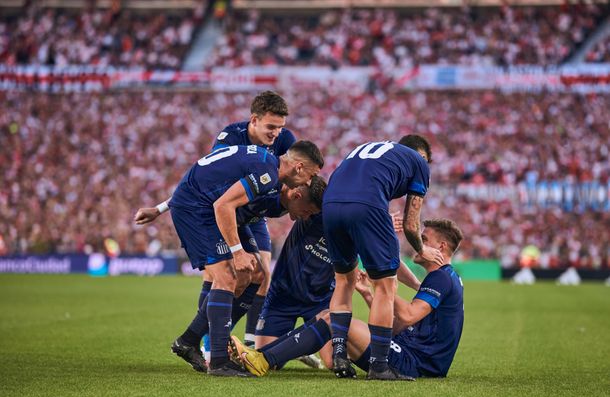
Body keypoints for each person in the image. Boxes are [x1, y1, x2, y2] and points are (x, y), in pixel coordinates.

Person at [135, 90, 296, 347]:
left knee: (262, 274)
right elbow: (206, 176)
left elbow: (289, 178)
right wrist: (162, 207)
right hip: (223, 210)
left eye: (280, 127)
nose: (276, 133)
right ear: (253, 120)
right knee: (218, 276)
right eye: (270, 127)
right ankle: (210, 344)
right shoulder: (231, 137)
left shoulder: (285, 139)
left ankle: (250, 344)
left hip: (254, 213)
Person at [231, 218, 464, 381]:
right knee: (327, 317)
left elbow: (407, 315)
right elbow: (397, 326)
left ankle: (261, 360)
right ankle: (260, 357)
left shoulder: (442, 278)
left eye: (423, 239)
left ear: (441, 246)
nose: (416, 242)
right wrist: (369, 293)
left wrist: (383, 282)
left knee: (334, 321)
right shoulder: (443, 278)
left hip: (417, 364)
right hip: (409, 351)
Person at [164, 140, 323, 377]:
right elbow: (223, 205)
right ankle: (219, 361)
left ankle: (189, 340)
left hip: (217, 209)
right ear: (299, 168)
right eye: (311, 175)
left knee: (258, 274)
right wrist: (237, 251)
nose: (310, 182)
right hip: (198, 209)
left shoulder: (275, 182)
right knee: (227, 276)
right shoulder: (267, 172)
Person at [321, 134, 444, 380]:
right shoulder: (418, 162)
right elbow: (411, 224)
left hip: (331, 204)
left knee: (344, 280)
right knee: (385, 287)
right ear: (422, 156)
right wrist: (422, 250)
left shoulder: (368, 147)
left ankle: (339, 354)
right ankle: (379, 366)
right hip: (366, 206)